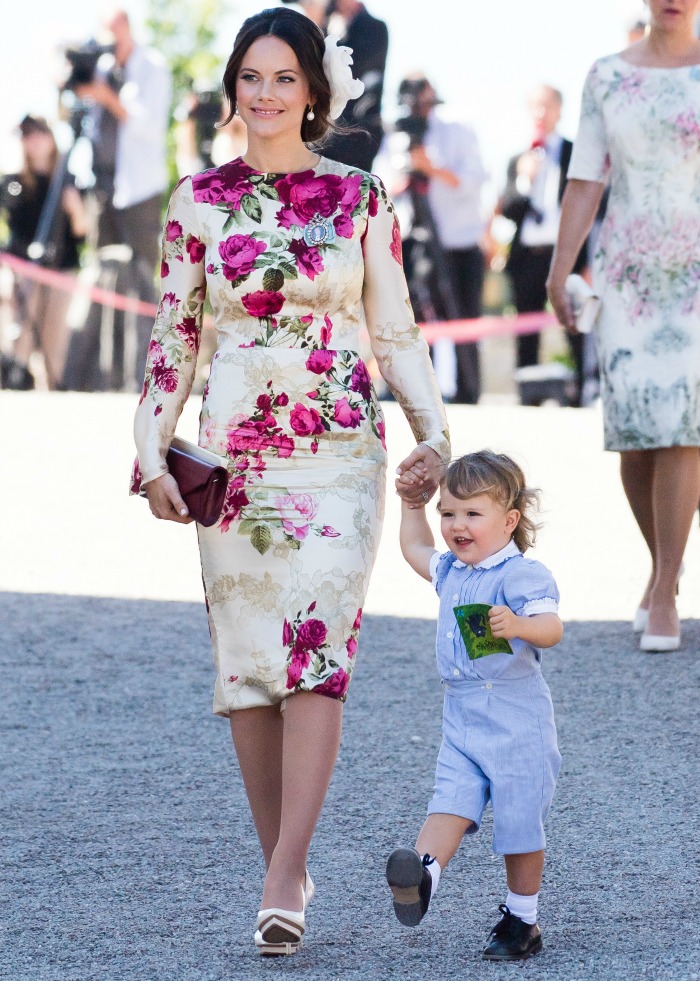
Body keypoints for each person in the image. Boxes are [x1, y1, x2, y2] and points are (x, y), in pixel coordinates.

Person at [130, 6, 449, 957]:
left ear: (314, 92)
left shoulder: (358, 197)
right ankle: (288, 860)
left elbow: (394, 329)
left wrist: (433, 432)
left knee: (317, 655)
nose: (264, 94)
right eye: (250, 76)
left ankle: (282, 871)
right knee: (251, 672)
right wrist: (153, 450)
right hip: (233, 460)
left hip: (339, 452)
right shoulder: (195, 202)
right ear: (233, 87)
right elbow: (173, 339)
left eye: (283, 77)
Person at [547, 0, 700, 652]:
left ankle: (665, 585)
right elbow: (585, 179)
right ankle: (663, 559)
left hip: (696, 271)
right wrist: (560, 270)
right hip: (627, 272)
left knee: (684, 423)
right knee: (636, 437)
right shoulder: (606, 75)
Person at [387, 450, 562, 961]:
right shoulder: (452, 570)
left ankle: (522, 918)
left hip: (515, 720)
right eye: (448, 513)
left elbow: (551, 628)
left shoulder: (520, 575)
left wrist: (520, 625)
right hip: (462, 716)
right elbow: (415, 548)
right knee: (450, 801)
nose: (456, 525)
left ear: (509, 522)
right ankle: (423, 877)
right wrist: (410, 505)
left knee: (517, 823)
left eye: (471, 513)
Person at [62, 7, 171, 391]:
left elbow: (148, 125)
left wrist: (105, 96)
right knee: (102, 277)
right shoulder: (102, 67)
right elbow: (79, 117)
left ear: (125, 26)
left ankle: (142, 374)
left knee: (142, 280)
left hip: (139, 190)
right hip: (102, 190)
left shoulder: (152, 66)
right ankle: (98, 374)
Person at [396, 74, 487, 404]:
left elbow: (473, 180)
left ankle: (468, 391)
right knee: (419, 322)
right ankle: (424, 393)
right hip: (414, 242)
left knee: (464, 320)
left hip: (458, 244)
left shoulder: (458, 132)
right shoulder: (395, 136)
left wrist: (430, 168)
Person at [501, 85, 587, 400]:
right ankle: (528, 392)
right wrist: (525, 181)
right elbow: (508, 209)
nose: (541, 113)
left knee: (574, 325)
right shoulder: (517, 159)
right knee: (526, 327)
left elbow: (590, 205)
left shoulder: (574, 152)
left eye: (547, 106)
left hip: (566, 253)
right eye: (535, 106)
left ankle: (581, 390)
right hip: (527, 257)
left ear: (559, 110)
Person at [0, 115, 87, 390]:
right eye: (27, 136)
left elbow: (82, 231)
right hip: (24, 270)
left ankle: (53, 392)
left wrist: (74, 208)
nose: (34, 141)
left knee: (54, 342)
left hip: (61, 270)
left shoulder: (68, 179)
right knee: (20, 337)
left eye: (39, 134)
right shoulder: (12, 182)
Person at [321, 0, 389, 172]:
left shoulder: (375, 27)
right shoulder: (328, 24)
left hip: (358, 133)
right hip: (322, 133)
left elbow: (350, 68)